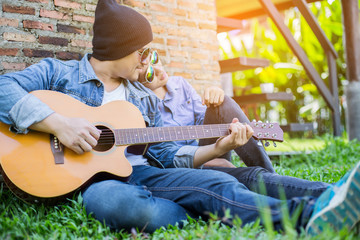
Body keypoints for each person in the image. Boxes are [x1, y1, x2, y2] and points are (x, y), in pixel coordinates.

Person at [0, 0, 359, 236]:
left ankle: (312, 215)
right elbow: (4, 88)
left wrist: (216, 147)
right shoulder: (58, 73)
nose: (149, 60)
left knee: (217, 185)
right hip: (88, 183)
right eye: (143, 51)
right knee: (118, 204)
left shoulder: (142, 98)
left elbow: (167, 153)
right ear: (118, 49)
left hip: (143, 172)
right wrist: (59, 123)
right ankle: (207, 209)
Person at [138, 57, 329, 199]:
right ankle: (284, 187)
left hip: (209, 148)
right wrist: (208, 158)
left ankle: (271, 175)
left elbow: (203, 121)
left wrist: (215, 95)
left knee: (223, 102)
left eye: (154, 58)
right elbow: (161, 158)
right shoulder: (139, 104)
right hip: (186, 169)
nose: (157, 69)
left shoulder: (180, 84)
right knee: (247, 178)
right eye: (148, 73)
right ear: (135, 81)